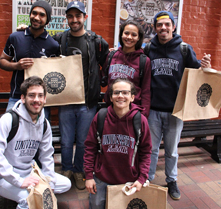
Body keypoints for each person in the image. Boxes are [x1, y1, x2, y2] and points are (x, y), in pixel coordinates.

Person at [144, 11, 211, 200]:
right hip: (153, 110)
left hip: (176, 110)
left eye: (167, 24)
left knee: (172, 150)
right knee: (151, 148)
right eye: (159, 25)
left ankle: (171, 180)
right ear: (155, 28)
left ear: (173, 27)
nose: (163, 28)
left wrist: (204, 66)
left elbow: (197, 71)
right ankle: (147, 178)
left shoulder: (184, 49)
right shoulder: (149, 49)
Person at [0, 76, 71, 209]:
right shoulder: (9, 119)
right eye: (31, 95)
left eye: (40, 95)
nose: (36, 100)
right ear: (23, 98)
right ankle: (21, 198)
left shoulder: (44, 124)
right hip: (3, 177)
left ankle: (23, 193)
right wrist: (19, 181)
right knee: (29, 200)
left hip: (29, 172)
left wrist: (50, 184)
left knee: (65, 184)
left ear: (45, 99)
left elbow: (47, 155)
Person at [52, 1, 109, 190]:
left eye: (78, 16)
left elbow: (107, 64)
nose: (74, 20)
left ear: (85, 17)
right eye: (70, 16)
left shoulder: (96, 41)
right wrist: (24, 29)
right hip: (66, 100)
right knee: (66, 141)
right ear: (66, 18)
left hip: (88, 102)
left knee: (84, 141)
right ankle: (66, 169)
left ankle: (79, 170)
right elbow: (42, 47)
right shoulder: (60, 39)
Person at [84, 78, 152, 209]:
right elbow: (90, 147)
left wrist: (141, 178)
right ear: (110, 97)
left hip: (129, 180)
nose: (120, 96)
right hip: (101, 178)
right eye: (116, 92)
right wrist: (88, 176)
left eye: (125, 93)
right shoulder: (100, 117)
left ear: (132, 97)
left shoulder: (140, 120)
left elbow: (146, 151)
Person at [0, 0, 59, 119]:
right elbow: (2, 61)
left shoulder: (53, 45)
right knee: (10, 131)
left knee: (39, 135)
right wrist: (16, 66)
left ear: (48, 20)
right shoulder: (15, 37)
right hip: (17, 96)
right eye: (34, 13)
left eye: (42, 15)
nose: (36, 17)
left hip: (40, 99)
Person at [102, 20, 151, 118]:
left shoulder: (144, 61)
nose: (129, 37)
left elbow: (146, 90)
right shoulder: (112, 56)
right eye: (126, 33)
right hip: (111, 111)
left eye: (134, 35)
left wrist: (143, 115)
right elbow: (102, 79)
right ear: (121, 35)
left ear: (138, 38)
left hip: (132, 113)